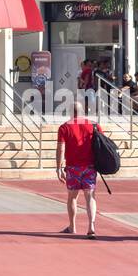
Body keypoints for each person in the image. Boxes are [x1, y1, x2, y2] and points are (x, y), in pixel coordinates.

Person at [55, 100, 99, 238]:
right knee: (90, 196)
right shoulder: (94, 125)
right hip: (90, 166)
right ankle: (91, 226)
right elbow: (101, 145)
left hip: (72, 168)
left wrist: (58, 168)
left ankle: (72, 226)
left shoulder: (64, 127)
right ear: (83, 112)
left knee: (72, 197)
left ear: (70, 112)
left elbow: (61, 148)